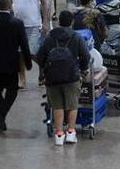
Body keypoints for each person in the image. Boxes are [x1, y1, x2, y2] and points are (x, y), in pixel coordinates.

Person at [36, 10, 90, 146]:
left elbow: (39, 55)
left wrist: (45, 69)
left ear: (59, 21)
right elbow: (85, 56)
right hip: (72, 76)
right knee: (72, 104)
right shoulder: (76, 37)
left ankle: (59, 134)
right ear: (72, 22)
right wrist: (83, 69)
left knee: (57, 105)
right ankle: (71, 133)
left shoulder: (50, 37)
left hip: (52, 77)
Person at [0, 0, 31, 130]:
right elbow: (24, 44)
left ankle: (0, 114)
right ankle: (1, 113)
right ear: (10, 6)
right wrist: (28, 62)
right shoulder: (17, 23)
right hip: (11, 63)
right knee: (12, 90)